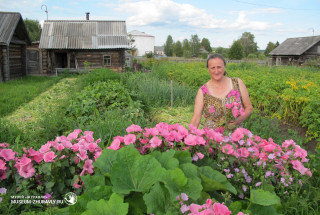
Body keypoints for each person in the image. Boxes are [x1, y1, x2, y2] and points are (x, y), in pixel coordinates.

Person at [190, 54, 252, 131]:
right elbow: (196, 119)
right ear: (208, 69)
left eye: (219, 67)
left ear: (224, 67)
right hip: (212, 139)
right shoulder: (203, 91)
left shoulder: (237, 83)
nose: (216, 71)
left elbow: (248, 108)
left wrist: (237, 121)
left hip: (236, 137)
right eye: (212, 68)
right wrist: (189, 137)